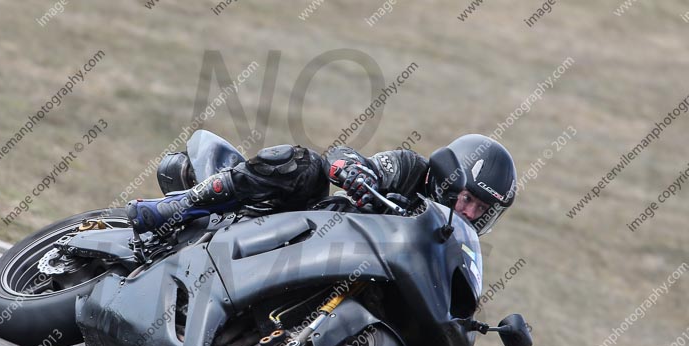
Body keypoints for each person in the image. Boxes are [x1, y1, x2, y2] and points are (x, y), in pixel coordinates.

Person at [125, 133, 517, 238]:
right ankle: (180, 205)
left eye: (481, 209)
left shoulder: (453, 242)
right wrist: (357, 177)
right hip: (300, 225)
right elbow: (345, 157)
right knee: (303, 164)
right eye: (468, 198)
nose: (470, 213)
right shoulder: (410, 168)